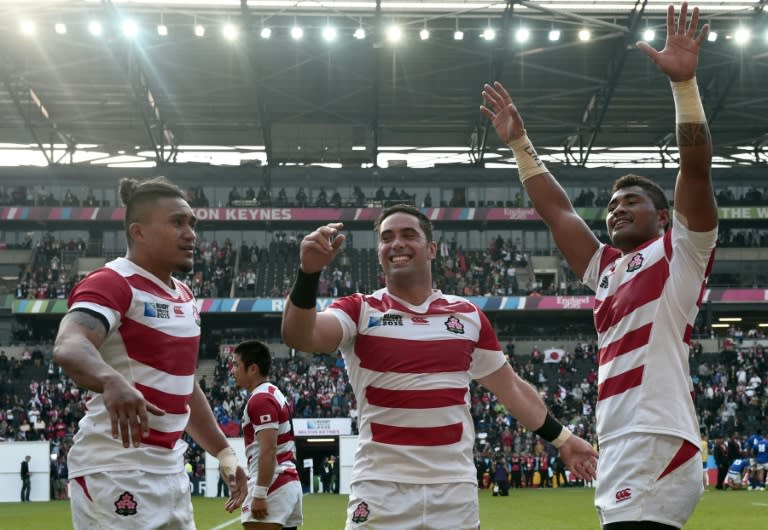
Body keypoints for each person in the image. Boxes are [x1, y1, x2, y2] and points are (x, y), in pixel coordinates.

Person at [481, 3, 714, 528]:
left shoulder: (681, 252)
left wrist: (684, 87)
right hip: (621, 438)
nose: (617, 210)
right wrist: (520, 144)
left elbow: (696, 173)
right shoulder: (606, 268)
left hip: (655, 438)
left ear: (663, 216)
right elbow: (557, 211)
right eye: (611, 205)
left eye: (631, 201)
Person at [281, 203, 597, 529]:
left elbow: (512, 389)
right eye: (387, 237)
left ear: (431, 249)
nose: (397, 243)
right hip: (380, 489)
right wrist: (308, 273)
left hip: (453, 491)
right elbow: (299, 335)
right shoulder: (359, 311)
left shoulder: (467, 316)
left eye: (408, 235)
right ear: (379, 253)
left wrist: (564, 439)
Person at [53, 176, 247, 529]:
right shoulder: (112, 282)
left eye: (192, 224)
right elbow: (70, 344)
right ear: (138, 232)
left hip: (170, 469)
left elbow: (185, 388)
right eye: (177, 223)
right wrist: (111, 380)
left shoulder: (185, 297)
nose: (190, 234)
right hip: (114, 470)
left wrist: (223, 451)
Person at [230, 340, 303, 530]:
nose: (232, 370)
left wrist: (260, 493)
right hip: (285, 481)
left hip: (273, 484)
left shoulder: (260, 400)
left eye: (236, 365)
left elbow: (268, 449)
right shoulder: (272, 393)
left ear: (253, 368)